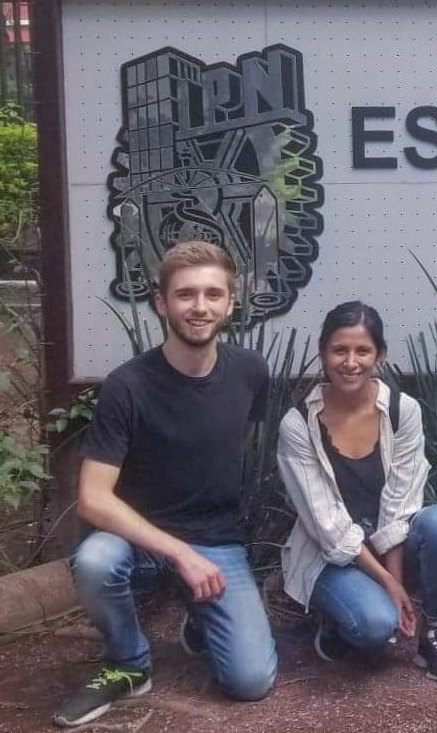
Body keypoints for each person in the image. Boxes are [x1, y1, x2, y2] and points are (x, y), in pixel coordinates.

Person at [55, 240, 277, 728]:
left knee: (250, 682)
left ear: (230, 303)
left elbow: (242, 441)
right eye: (186, 295)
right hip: (138, 540)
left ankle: (202, 615)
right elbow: (92, 499)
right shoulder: (127, 386)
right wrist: (179, 552)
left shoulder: (250, 372)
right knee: (95, 561)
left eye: (213, 295)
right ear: (161, 303)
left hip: (216, 539)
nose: (200, 307)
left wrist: (199, 551)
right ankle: (129, 664)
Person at [276, 301, 437, 680]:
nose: (350, 362)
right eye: (339, 350)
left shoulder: (401, 410)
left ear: (379, 355)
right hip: (330, 554)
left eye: (362, 350)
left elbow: (400, 504)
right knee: (375, 628)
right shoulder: (298, 423)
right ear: (322, 353)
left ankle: (433, 631)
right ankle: (334, 625)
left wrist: (393, 581)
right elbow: (327, 525)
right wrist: (389, 586)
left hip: (385, 543)